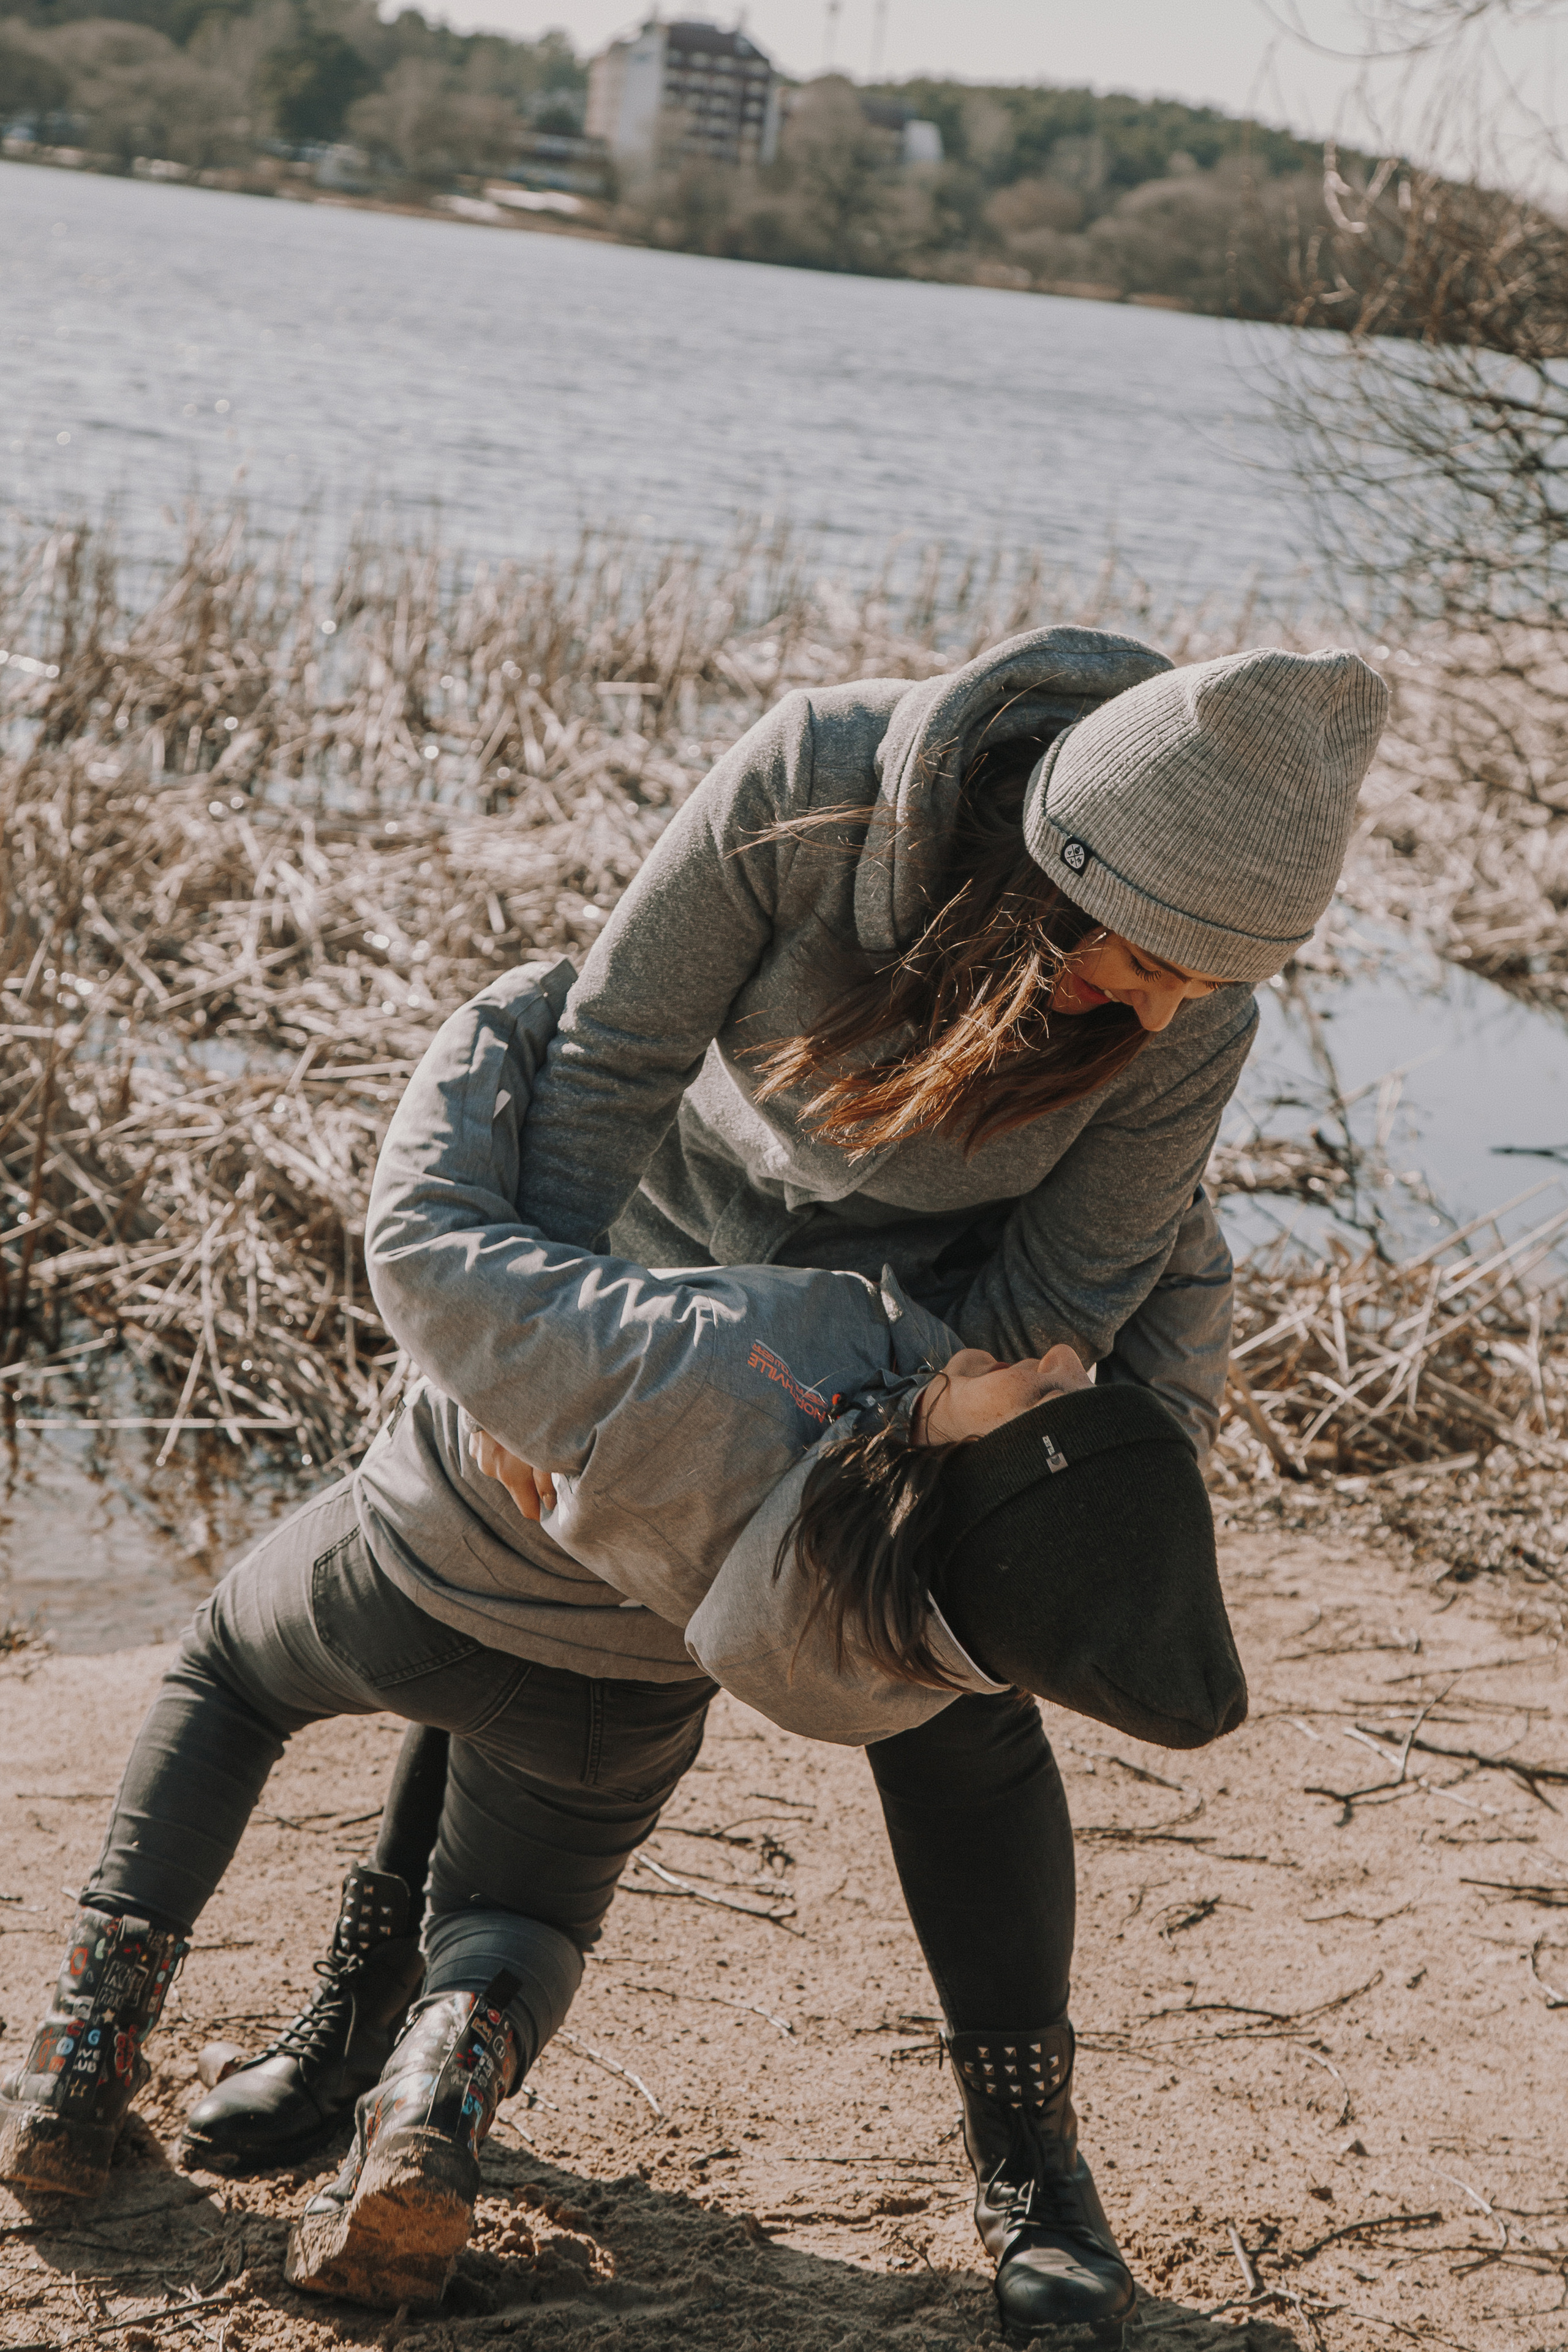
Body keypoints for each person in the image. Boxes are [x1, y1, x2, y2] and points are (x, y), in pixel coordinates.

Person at [148, 627, 1387, 2332]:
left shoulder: (1197, 1001)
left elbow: (1059, 1307)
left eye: (1215, 981)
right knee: (521, 1598)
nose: (1174, 1006)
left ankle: (1035, 2168)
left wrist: (880, 1469)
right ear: (1048, 871)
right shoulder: (809, 793)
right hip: (661, 1257)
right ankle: (357, 2018)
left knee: (959, 1707)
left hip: (934, 1344)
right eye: (1146, 959)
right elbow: (600, 1068)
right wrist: (543, 1366)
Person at [0, 966, 1246, 2339]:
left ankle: (1030, 2171)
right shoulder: (855, 992)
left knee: (936, 1725)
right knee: (542, 1772)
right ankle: (382, 2045)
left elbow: (441, 1240)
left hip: (729, 1505)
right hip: (714, 1567)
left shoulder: (760, 1341)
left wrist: (527, 1328)